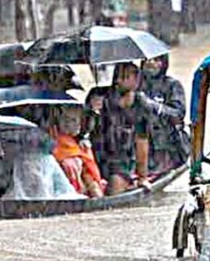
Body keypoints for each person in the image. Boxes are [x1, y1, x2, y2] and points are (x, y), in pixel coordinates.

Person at [95, 63, 152, 194]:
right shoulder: (100, 96)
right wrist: (92, 111)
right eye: (117, 76)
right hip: (97, 155)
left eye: (125, 77)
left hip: (122, 161)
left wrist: (142, 176)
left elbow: (142, 142)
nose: (118, 81)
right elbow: (84, 129)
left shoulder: (140, 104)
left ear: (136, 81)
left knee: (115, 183)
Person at [139, 54, 189, 175]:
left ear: (163, 63)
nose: (151, 63)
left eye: (156, 60)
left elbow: (178, 113)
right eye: (147, 59)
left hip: (166, 144)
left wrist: (152, 105)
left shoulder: (172, 85)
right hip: (141, 142)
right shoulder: (135, 84)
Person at [50, 107, 105, 198]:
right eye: (65, 119)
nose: (67, 123)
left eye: (74, 120)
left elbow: (89, 170)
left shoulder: (82, 145)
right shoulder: (53, 141)